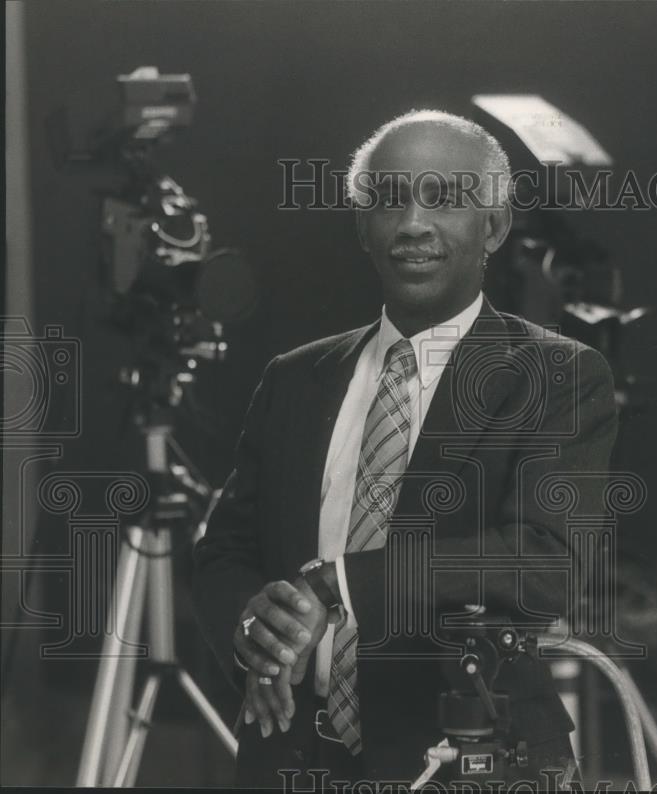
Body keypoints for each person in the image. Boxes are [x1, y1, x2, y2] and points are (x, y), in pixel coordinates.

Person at [193, 110, 619, 789]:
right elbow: (222, 552)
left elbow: (546, 562)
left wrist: (343, 584)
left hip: (472, 757)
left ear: (496, 227)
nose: (413, 223)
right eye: (390, 199)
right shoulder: (293, 377)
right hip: (294, 757)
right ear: (364, 226)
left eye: (444, 198)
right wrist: (254, 633)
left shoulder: (556, 374)